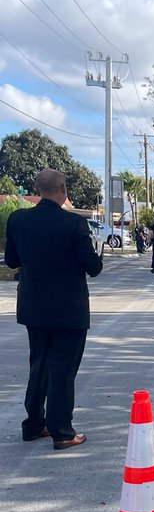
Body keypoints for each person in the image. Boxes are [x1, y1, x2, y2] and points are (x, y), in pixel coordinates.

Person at [3, 168, 104, 449]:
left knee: (39, 364)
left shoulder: (18, 220)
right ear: (62, 188)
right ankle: (62, 431)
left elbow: (11, 261)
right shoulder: (73, 224)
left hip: (33, 307)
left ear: (38, 189)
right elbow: (92, 267)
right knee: (62, 369)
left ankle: (34, 424)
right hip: (69, 311)